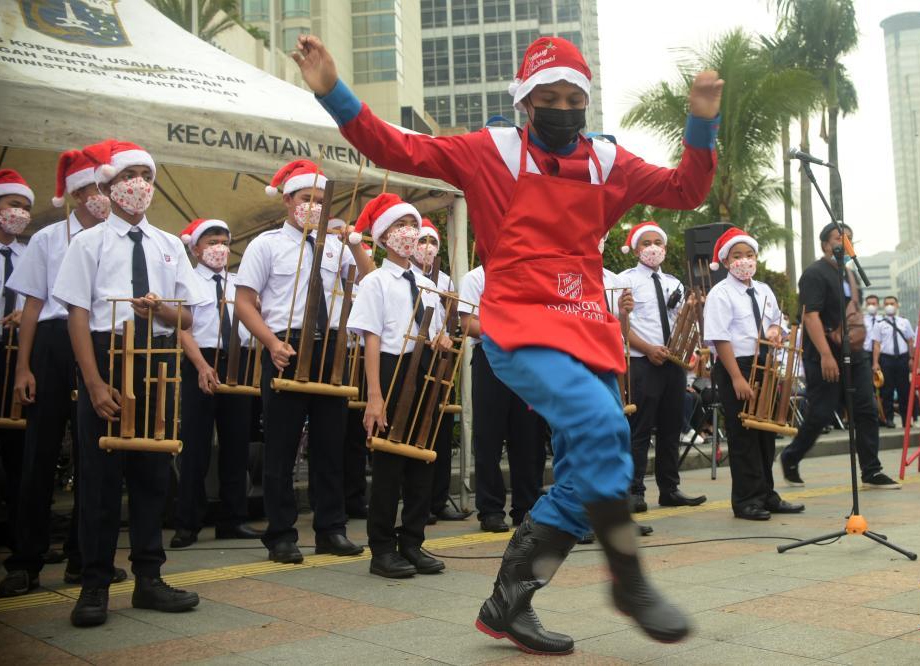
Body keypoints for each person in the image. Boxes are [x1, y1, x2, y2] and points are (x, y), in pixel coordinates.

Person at [293, 32, 721, 652]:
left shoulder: (608, 161)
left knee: (592, 472)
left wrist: (702, 122)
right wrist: (333, 89)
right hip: (519, 324)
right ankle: (629, 581)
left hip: (587, 325)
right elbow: (396, 146)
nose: (562, 108)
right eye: (548, 97)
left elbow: (686, 190)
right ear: (525, 102)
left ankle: (508, 603)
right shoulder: (488, 152)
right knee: (604, 428)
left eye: (573, 98)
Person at [53, 139, 203, 627]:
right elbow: (77, 315)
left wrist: (161, 309)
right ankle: (94, 584)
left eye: (146, 176)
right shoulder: (88, 243)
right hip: (106, 355)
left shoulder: (169, 245)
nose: (138, 184)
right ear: (107, 185)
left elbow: (187, 317)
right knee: (99, 479)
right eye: (128, 176)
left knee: (152, 474)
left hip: (156, 357)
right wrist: (94, 383)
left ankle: (149, 579)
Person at [234, 159, 373, 564]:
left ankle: (331, 529)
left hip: (330, 347)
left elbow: (370, 280)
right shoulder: (265, 245)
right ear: (287, 200)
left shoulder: (334, 245)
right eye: (305, 198)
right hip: (287, 346)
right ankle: (281, 534)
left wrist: (355, 243)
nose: (312, 206)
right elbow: (243, 303)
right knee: (281, 447)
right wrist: (271, 343)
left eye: (319, 199)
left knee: (330, 445)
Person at [0, 150, 120, 598]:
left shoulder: (114, 238)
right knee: (39, 453)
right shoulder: (48, 238)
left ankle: (83, 558)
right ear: (75, 195)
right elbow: (32, 305)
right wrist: (23, 367)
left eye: (103, 189)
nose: (99, 197)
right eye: (91, 190)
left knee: (94, 453)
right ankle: (25, 561)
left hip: (97, 342)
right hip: (52, 342)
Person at [347, 194, 451, 578]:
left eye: (412, 225)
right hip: (391, 369)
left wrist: (443, 339)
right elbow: (371, 339)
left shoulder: (426, 283)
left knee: (422, 457)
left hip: (424, 370)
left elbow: (436, 332)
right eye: (399, 226)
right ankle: (381, 548)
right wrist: (375, 396)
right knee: (389, 463)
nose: (408, 233)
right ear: (383, 236)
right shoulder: (375, 281)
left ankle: (412, 541)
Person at [779, 223, 901, 491]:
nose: (844, 242)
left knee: (866, 409)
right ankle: (791, 456)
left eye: (849, 239)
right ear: (825, 244)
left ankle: (872, 470)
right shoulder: (814, 274)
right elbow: (811, 316)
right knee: (822, 412)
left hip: (854, 353)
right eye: (838, 238)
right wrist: (825, 355)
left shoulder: (850, 274)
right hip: (824, 354)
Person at [171, 218, 264, 549]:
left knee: (236, 445)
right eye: (212, 242)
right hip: (201, 358)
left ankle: (233, 518)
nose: (219, 248)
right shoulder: (186, 280)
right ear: (196, 248)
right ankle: (188, 522)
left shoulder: (240, 283)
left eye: (224, 242)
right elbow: (183, 329)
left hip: (238, 361)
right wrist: (201, 365)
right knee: (195, 446)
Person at [704, 228, 804, 520]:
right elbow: (720, 338)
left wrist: (774, 331)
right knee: (743, 434)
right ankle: (746, 500)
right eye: (737, 256)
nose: (744, 260)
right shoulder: (720, 293)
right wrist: (737, 377)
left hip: (765, 363)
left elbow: (777, 322)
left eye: (749, 255)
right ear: (726, 261)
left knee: (766, 434)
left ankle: (767, 494)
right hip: (737, 364)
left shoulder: (763, 289)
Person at [619, 221, 706, 512]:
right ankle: (634, 490)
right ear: (635, 249)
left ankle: (669, 488)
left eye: (658, 243)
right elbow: (620, 325)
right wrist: (648, 349)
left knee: (671, 427)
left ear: (665, 248)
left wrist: (694, 308)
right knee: (640, 428)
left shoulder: (674, 283)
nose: (653, 248)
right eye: (646, 243)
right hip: (642, 361)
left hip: (673, 362)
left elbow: (684, 322)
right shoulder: (625, 280)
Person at [458, 264, 544, 533]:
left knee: (529, 436)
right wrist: (507, 332)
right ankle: (491, 509)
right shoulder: (475, 277)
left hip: (526, 360)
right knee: (489, 437)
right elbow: (468, 323)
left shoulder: (529, 272)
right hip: (491, 358)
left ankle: (527, 506)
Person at [411, 218, 469, 524]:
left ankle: (439, 498)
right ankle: (415, 502)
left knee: (442, 428)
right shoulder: (403, 277)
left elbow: (453, 323)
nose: (427, 247)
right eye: (422, 241)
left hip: (442, 358)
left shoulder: (446, 281)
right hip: (412, 358)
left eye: (432, 242)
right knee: (414, 427)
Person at [0, 169, 29, 552]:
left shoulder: (29, 254)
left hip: (19, 356)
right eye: (13, 204)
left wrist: (27, 315)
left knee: (22, 453)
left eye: (25, 207)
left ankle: (22, 538)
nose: (20, 213)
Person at [871, 295, 915, 429]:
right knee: (887, 391)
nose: (889, 306)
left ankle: (906, 419)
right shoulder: (879, 324)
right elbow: (876, 344)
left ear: (897, 305)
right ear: (883, 306)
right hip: (886, 359)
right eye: (887, 304)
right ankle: (889, 419)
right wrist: (875, 362)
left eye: (892, 303)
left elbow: (910, 341)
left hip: (902, 358)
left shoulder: (904, 322)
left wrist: (912, 358)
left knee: (904, 390)